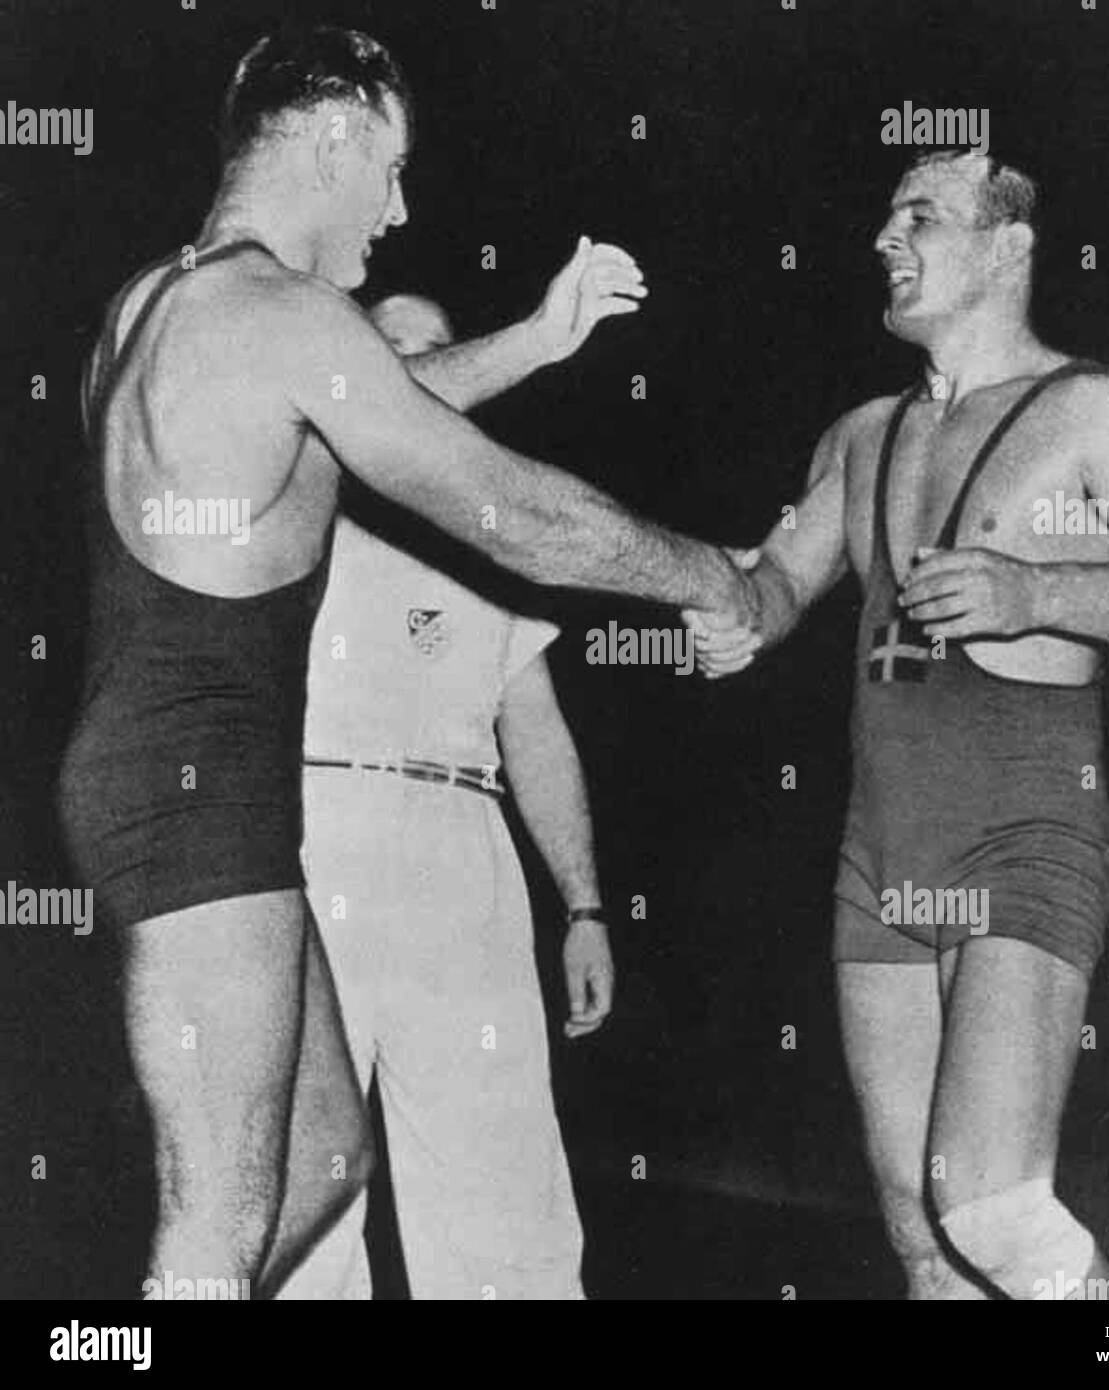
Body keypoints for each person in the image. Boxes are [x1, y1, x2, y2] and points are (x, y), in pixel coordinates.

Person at [58, 24, 755, 1298]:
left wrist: (537, 342)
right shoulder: (279, 311)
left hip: (177, 774)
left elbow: (371, 399)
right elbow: (517, 516)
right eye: (389, 167)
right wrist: (722, 575)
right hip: (195, 798)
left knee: (322, 1155)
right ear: (332, 136)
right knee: (215, 1221)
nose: (399, 206)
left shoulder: (167, 301)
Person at [685, 150, 1109, 1299]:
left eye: (921, 216)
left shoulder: (1092, 412)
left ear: (1007, 249)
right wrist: (733, 617)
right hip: (880, 851)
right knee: (923, 1240)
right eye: (886, 214)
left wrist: (1038, 592)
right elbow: (779, 582)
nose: (884, 238)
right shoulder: (859, 435)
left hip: (1025, 828)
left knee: (989, 1206)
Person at [280, 293, 612, 1300]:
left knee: (503, 1188)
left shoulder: (496, 531)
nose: (429, 367)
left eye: (441, 346)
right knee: (310, 1186)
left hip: (464, 846)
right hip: (316, 831)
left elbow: (538, 729)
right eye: (397, 352)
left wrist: (585, 906)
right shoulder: (302, 490)